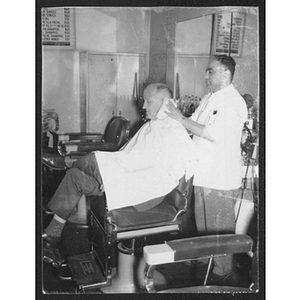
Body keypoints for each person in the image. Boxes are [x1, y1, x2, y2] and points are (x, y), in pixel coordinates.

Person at [42, 83, 196, 246]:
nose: (143, 106)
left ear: (165, 103)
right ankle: (53, 232)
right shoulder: (152, 126)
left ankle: (64, 163)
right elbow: (129, 157)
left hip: (144, 194)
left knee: (93, 159)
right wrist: (111, 176)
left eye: (148, 101)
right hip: (128, 183)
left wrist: (114, 178)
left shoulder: (173, 131)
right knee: (75, 177)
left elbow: (160, 175)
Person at [165, 55, 248, 285]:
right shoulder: (209, 98)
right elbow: (192, 124)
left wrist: (180, 118)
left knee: (219, 230)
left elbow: (210, 133)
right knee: (203, 228)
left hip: (219, 179)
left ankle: (222, 275)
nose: (205, 76)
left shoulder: (233, 102)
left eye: (210, 71)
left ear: (225, 73)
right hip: (202, 174)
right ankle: (206, 264)